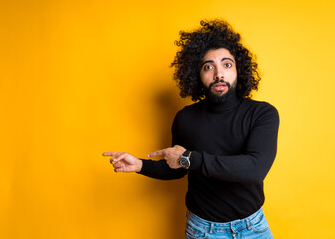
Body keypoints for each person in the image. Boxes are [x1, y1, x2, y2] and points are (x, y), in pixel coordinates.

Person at [103, 19, 279, 239]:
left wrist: (189, 158)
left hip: (253, 227)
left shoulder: (262, 114)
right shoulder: (185, 118)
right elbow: (178, 166)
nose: (218, 74)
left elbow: (255, 169)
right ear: (197, 74)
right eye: (208, 67)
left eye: (226, 64)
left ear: (239, 70)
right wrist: (140, 165)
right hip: (204, 230)